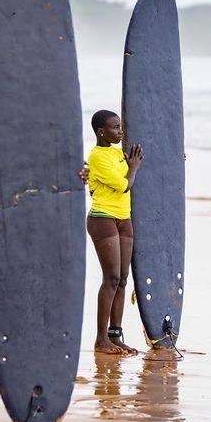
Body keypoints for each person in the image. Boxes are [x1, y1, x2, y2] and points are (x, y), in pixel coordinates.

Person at [86, 110, 143, 355]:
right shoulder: (97, 156)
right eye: (115, 127)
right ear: (101, 131)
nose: (120, 131)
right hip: (103, 218)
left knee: (122, 278)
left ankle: (115, 335)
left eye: (121, 127)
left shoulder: (118, 153)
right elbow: (123, 185)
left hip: (124, 218)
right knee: (110, 278)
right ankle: (100, 339)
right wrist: (134, 168)